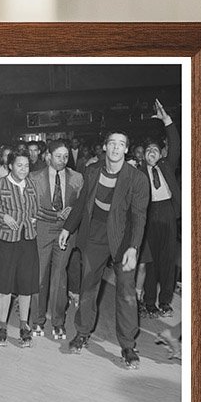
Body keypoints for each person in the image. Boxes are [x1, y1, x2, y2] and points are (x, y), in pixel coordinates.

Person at [58, 130, 149, 369]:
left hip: (123, 237)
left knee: (126, 293)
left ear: (126, 149)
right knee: (88, 287)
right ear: (105, 147)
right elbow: (81, 203)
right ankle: (83, 332)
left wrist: (134, 247)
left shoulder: (137, 178)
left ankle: (128, 345)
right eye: (112, 143)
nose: (117, 148)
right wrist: (68, 228)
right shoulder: (92, 171)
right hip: (95, 234)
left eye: (121, 144)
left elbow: (140, 216)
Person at [0, 147, 40, 347]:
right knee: (4, 285)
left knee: (26, 285)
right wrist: (2, 216)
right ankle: (2, 327)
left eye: (26, 165)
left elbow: (38, 211)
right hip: (5, 241)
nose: (23, 169)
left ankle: (24, 326)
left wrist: (59, 216)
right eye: (19, 165)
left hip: (27, 240)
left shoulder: (32, 184)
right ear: (10, 166)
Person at [28, 139, 83, 340]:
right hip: (42, 231)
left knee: (60, 278)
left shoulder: (77, 178)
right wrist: (56, 215)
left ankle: (58, 321)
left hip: (66, 232)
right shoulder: (34, 177)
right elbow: (31, 207)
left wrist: (73, 210)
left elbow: (82, 206)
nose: (62, 160)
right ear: (48, 156)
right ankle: (37, 320)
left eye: (66, 157)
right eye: (58, 156)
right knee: (39, 276)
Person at [141, 99, 182, 319]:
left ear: (160, 154)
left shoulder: (166, 165)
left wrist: (167, 121)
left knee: (168, 261)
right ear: (144, 155)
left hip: (167, 213)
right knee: (151, 261)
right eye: (148, 151)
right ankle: (149, 302)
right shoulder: (138, 173)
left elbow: (175, 144)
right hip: (147, 217)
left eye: (155, 150)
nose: (152, 153)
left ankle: (165, 301)